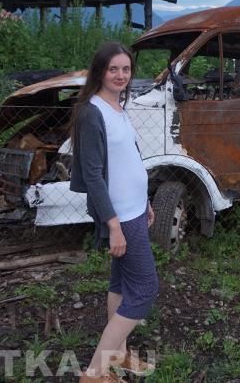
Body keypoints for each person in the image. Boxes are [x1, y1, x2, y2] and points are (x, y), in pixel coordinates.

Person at [70, 42, 158, 382]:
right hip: (119, 215)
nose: (121, 75)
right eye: (114, 69)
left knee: (120, 283)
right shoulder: (92, 112)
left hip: (135, 209)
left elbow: (128, 162)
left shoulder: (118, 108)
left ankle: (118, 354)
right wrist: (114, 225)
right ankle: (94, 373)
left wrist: (146, 199)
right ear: (100, 72)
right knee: (146, 288)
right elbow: (92, 174)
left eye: (126, 69)